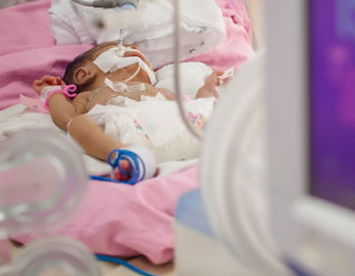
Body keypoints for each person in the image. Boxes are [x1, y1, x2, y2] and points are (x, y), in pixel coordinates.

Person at [33, 42, 226, 182]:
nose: (135, 49)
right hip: (131, 135)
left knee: (208, 106)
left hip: (187, 128)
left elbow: (198, 103)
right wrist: (52, 93)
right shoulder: (90, 96)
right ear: (84, 74)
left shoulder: (161, 92)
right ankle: (124, 154)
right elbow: (66, 118)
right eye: (121, 49)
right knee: (77, 125)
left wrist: (210, 85)